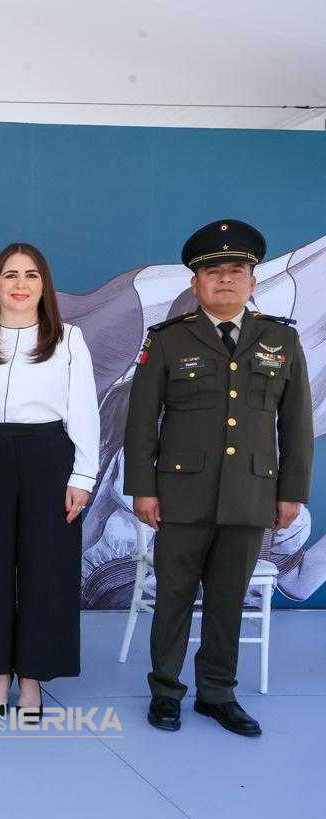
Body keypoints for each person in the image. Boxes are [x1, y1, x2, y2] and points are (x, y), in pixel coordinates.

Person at [125, 219, 313, 737]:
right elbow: (142, 420)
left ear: (253, 280)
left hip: (251, 493)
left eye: (236, 271)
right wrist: (143, 486)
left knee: (230, 599)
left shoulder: (281, 339)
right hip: (180, 495)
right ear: (195, 283)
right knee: (174, 598)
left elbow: (296, 423)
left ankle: (217, 693)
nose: (225, 281)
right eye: (213, 273)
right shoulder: (167, 341)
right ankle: (165, 691)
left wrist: (292, 491)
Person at [0, 243, 99, 721]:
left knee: (45, 570)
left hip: (48, 458)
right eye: (9, 274)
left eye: (31, 275)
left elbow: (85, 412)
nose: (19, 284)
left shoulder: (69, 339)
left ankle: (32, 678)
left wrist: (83, 475)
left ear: (44, 285)